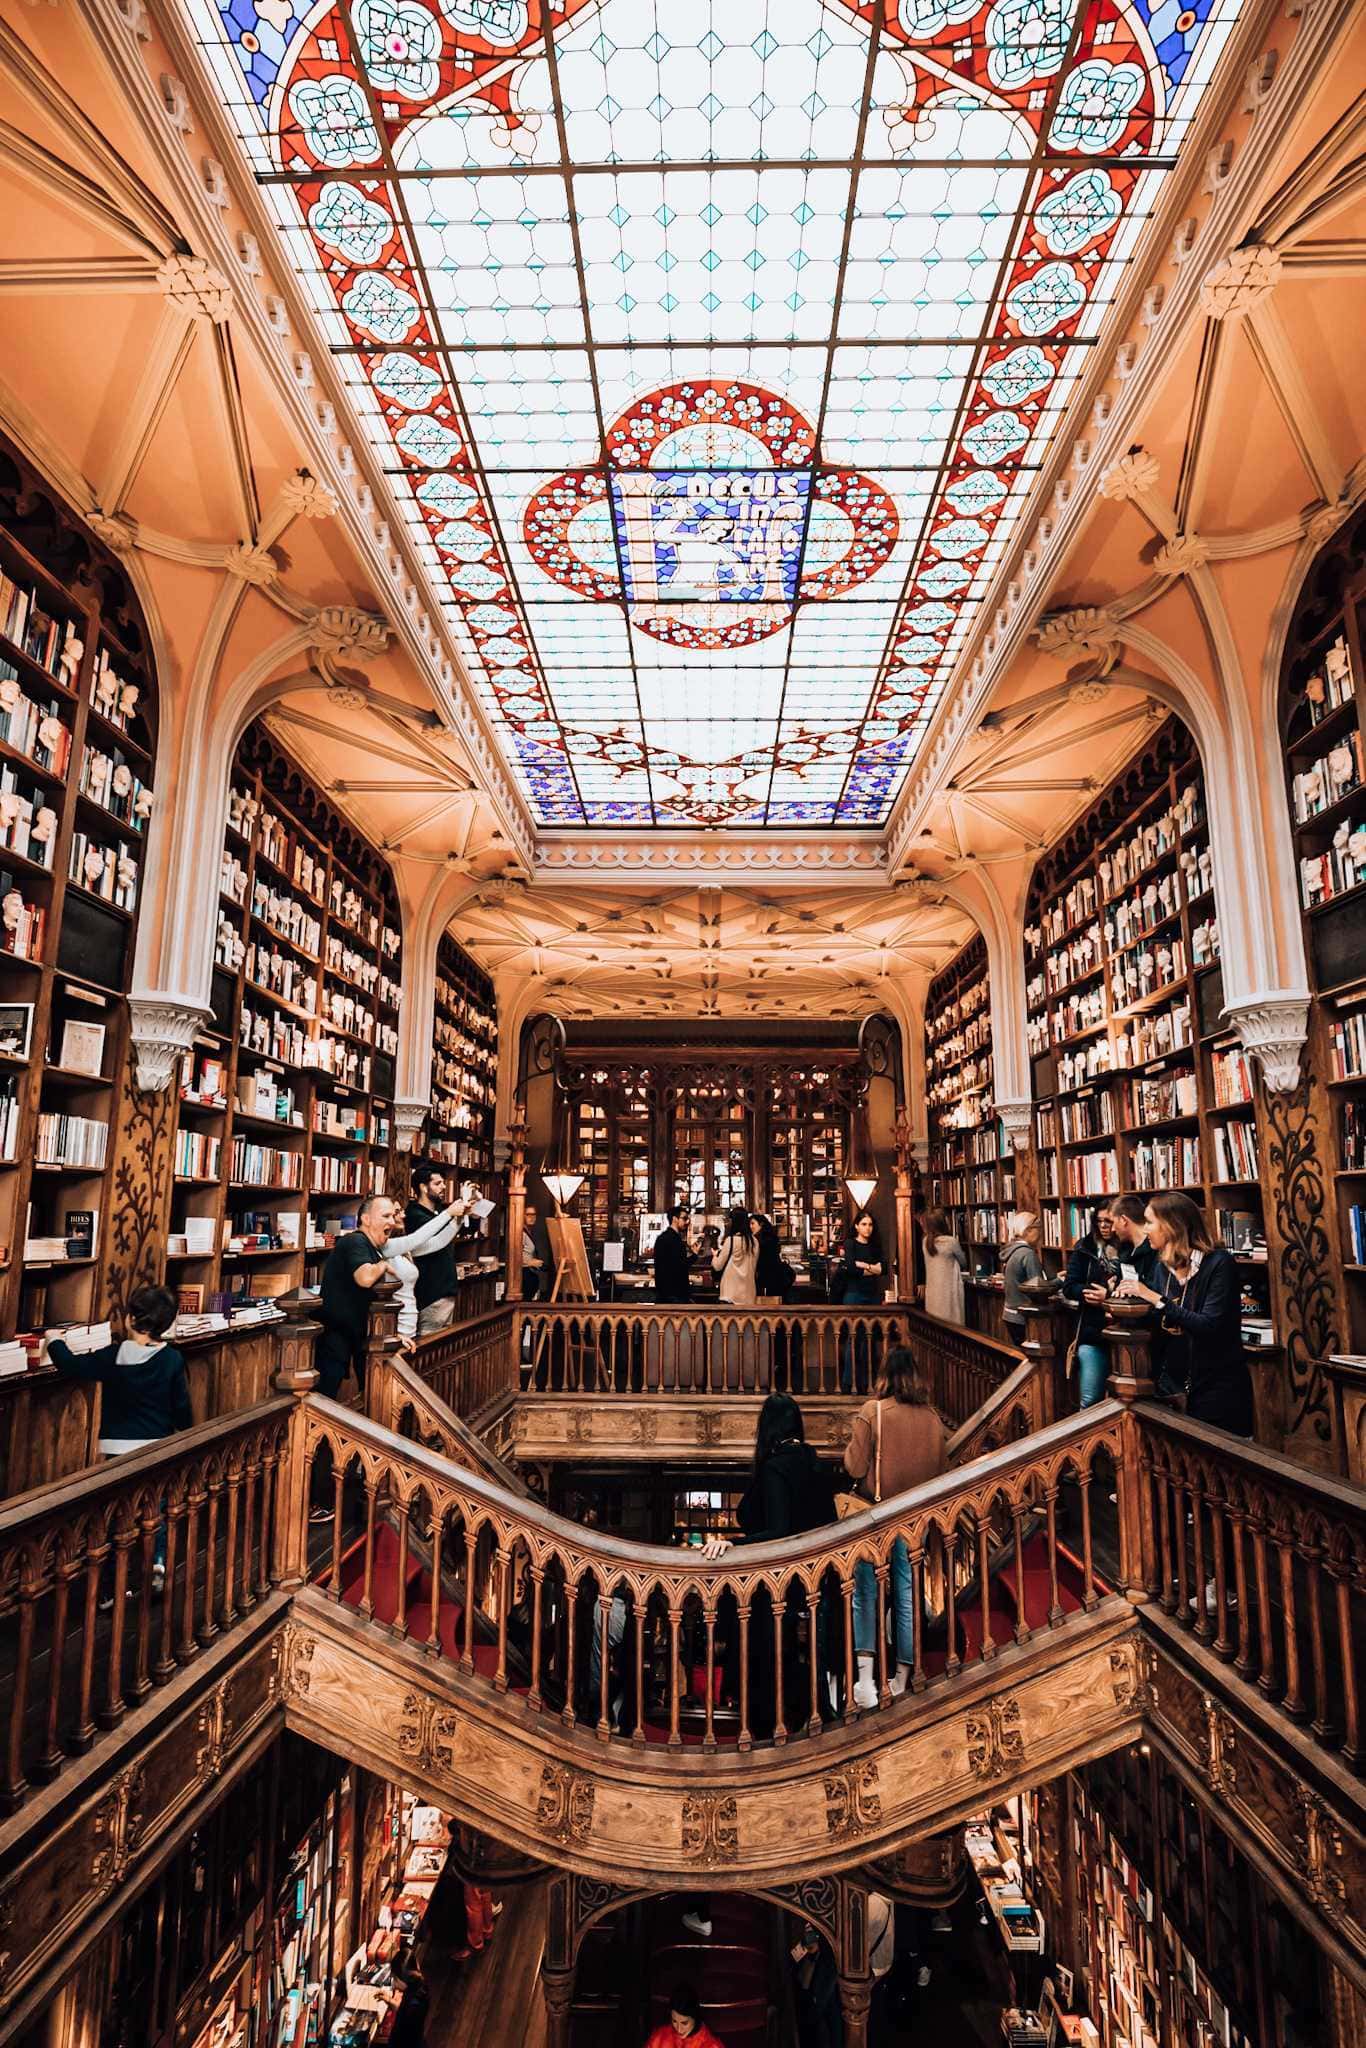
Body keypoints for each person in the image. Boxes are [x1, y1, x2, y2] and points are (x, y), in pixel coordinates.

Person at [701, 1393, 836, 1734]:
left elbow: (778, 1531)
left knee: (764, 1657)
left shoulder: (776, 1467)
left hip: (778, 1588)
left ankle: (766, 1726)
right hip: (818, 1582)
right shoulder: (816, 1464)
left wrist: (732, 1543)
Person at [49, 1283, 190, 1596]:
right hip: (156, 1446)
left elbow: (72, 1365)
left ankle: (112, 1588)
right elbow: (181, 1408)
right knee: (157, 1507)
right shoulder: (172, 1361)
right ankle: (156, 1562)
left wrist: (54, 1342)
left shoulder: (115, 1356)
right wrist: (183, 1430)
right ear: (167, 1324)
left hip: (117, 1447)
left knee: (118, 1514)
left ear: (129, 1319)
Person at [844, 1348, 947, 1707]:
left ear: (884, 1375)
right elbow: (940, 1473)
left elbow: (855, 1468)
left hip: (876, 1517)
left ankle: (866, 1679)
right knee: (906, 1595)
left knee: (865, 1594)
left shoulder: (873, 1413)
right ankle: (903, 1676)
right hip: (914, 1520)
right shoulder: (934, 1420)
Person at [1117, 1192, 1254, 1435]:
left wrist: (1154, 1298)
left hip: (1218, 1388)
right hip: (1173, 1388)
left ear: (1171, 1226)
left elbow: (1209, 1326)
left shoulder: (1219, 1264)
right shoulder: (1163, 1267)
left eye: (1149, 1222)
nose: (1145, 1229)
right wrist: (1129, 1304)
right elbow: (1159, 1321)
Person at [317, 1192, 397, 1398]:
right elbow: (365, 1278)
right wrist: (383, 1265)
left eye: (393, 1216)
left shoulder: (373, 1247)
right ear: (366, 1219)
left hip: (358, 1334)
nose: (393, 1222)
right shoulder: (355, 1242)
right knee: (324, 1397)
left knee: (370, 1393)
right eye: (386, 1216)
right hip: (335, 1335)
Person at [389, 1179, 474, 1341]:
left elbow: (438, 1242)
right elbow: (418, 1236)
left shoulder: (403, 1247)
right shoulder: (388, 1247)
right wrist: (448, 1213)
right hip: (397, 1323)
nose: (404, 1215)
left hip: (410, 1322)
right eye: (397, 1212)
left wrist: (460, 1217)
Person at [1062, 1201, 1120, 1406]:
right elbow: (1069, 1286)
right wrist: (1088, 1292)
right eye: (1100, 1221)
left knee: (1122, 1401)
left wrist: (1111, 1293)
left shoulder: (1130, 1248)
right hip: (1092, 1332)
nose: (1104, 1226)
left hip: (1126, 1335)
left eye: (1109, 1221)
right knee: (1090, 1399)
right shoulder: (1085, 1247)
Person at [1000, 1210, 1046, 1344]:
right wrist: (1060, 1281)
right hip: (1023, 1316)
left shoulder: (1012, 1251)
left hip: (1010, 1314)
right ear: (1028, 1231)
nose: (1041, 1233)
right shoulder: (1027, 1254)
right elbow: (1039, 1289)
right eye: (1039, 1229)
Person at [645, 1980, 726, 2048]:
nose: (679, 2029)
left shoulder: (712, 2045)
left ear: (695, 2018)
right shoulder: (659, 2038)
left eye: (684, 2023)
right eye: (674, 2021)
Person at [922, 1207, 967, 1325]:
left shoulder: (925, 1242)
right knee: (952, 1328)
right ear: (943, 1223)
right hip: (948, 1295)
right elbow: (963, 1263)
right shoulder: (951, 1242)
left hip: (933, 1295)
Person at [712, 1206, 757, 1306]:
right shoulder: (754, 1241)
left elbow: (718, 1266)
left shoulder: (731, 1240)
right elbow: (753, 1266)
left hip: (730, 1294)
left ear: (734, 1222)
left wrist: (715, 1255)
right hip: (748, 1293)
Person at [653, 1205, 694, 1303]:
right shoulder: (675, 1240)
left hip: (665, 1294)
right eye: (684, 1218)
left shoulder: (662, 1238)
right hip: (675, 1295)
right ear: (675, 1219)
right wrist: (695, 1256)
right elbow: (681, 1266)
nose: (687, 1222)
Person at [754, 1215, 795, 1302]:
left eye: (752, 1223)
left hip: (768, 1278)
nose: (750, 1226)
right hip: (776, 1277)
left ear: (761, 1224)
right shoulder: (772, 1238)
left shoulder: (760, 1241)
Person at [521, 1202, 548, 1300]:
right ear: (522, 1215)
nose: (532, 1217)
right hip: (522, 1275)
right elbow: (514, 1255)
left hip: (529, 1273)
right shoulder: (520, 1233)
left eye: (534, 1215)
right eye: (528, 1214)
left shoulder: (528, 1231)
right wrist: (531, 1262)